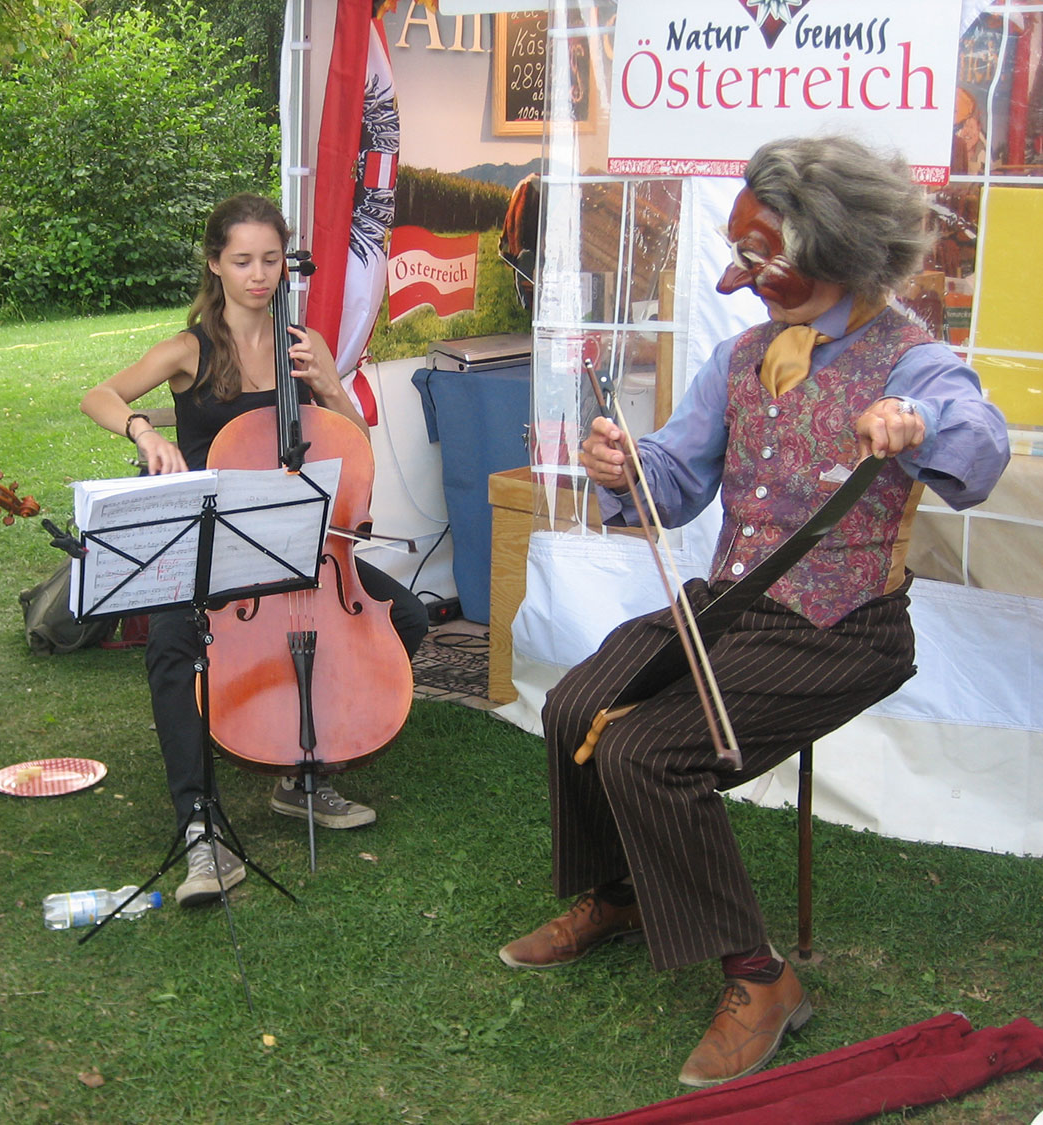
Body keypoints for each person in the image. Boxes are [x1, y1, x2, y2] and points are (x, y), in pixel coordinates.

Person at [498, 136, 1009, 1086]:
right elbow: (676, 477)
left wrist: (920, 422)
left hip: (844, 626)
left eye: (764, 257)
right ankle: (624, 891)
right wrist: (628, 467)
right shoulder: (741, 357)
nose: (743, 279)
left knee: (647, 750)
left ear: (839, 249)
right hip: (733, 602)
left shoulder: (912, 356)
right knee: (573, 706)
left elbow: (981, 442)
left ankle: (761, 978)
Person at [81, 193, 428, 907]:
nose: (260, 275)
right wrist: (144, 432)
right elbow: (100, 395)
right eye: (243, 261)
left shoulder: (303, 343)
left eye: (271, 260)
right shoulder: (188, 350)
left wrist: (328, 384)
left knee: (408, 619)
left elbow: (353, 438)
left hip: (298, 544)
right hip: (217, 544)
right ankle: (198, 824)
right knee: (171, 645)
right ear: (215, 263)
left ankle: (301, 771)